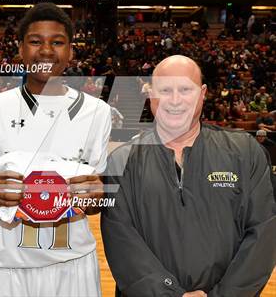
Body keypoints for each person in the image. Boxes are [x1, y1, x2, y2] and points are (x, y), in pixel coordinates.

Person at [102, 55, 276, 297]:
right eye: (165, 90)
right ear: (151, 94)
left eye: (185, 89)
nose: (175, 100)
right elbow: (121, 240)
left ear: (202, 93)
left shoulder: (245, 152)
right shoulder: (121, 160)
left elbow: (264, 233)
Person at [0, 3, 111, 297]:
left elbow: (97, 200)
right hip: (8, 265)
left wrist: (99, 196)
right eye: (35, 41)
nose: (46, 50)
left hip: (72, 264)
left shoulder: (97, 112)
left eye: (57, 42)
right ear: (20, 49)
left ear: (71, 50)